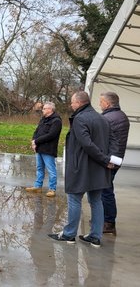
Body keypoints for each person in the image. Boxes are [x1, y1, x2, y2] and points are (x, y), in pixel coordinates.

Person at [48, 91, 117, 248]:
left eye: (72, 102)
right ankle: (95, 236)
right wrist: (108, 159)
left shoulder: (80, 119)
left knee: (74, 199)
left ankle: (69, 234)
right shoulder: (102, 118)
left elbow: (86, 144)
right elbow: (113, 141)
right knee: (96, 201)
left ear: (79, 103)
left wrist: (105, 159)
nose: (71, 105)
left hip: (81, 167)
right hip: (98, 168)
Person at [99, 91, 130, 235]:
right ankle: (105, 219)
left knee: (105, 191)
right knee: (105, 189)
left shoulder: (108, 118)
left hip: (110, 161)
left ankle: (109, 223)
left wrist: (107, 160)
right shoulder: (121, 116)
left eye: (101, 102)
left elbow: (106, 141)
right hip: (116, 159)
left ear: (107, 103)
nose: (100, 104)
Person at [25, 102, 62, 197]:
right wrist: (33, 141)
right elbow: (36, 131)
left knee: (51, 170)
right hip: (39, 148)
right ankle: (37, 186)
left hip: (48, 149)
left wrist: (36, 141)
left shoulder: (56, 121)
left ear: (50, 110)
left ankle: (52, 189)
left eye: (44, 108)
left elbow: (51, 135)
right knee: (39, 168)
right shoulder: (43, 119)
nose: (43, 110)